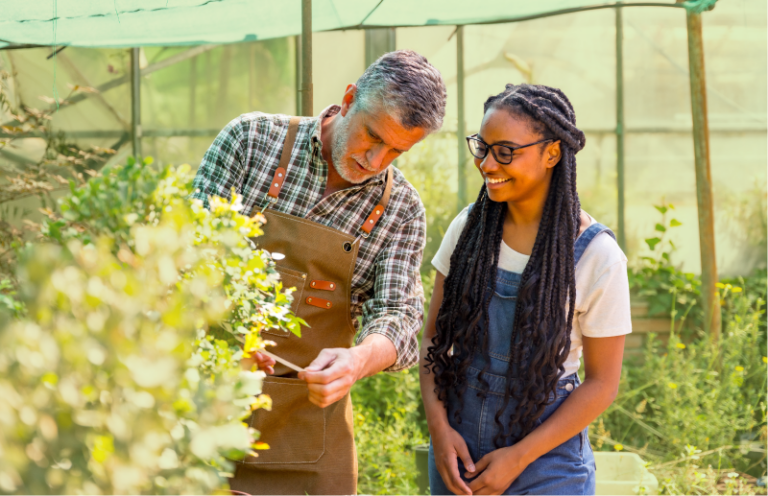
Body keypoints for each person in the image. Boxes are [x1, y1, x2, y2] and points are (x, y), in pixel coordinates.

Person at [190, 50, 446, 496]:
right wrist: (230, 334)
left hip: (307, 436)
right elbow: (186, 254)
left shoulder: (400, 209)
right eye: (371, 136)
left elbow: (401, 319)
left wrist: (357, 360)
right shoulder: (250, 141)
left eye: (397, 151)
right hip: (202, 411)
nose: (376, 159)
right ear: (348, 99)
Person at [420, 83, 631, 496]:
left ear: (551, 153)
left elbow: (602, 383)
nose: (486, 164)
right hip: (456, 451)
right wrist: (439, 430)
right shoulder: (469, 229)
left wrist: (519, 457)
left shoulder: (598, 256)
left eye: (505, 151)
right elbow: (432, 339)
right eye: (482, 147)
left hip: (546, 461)